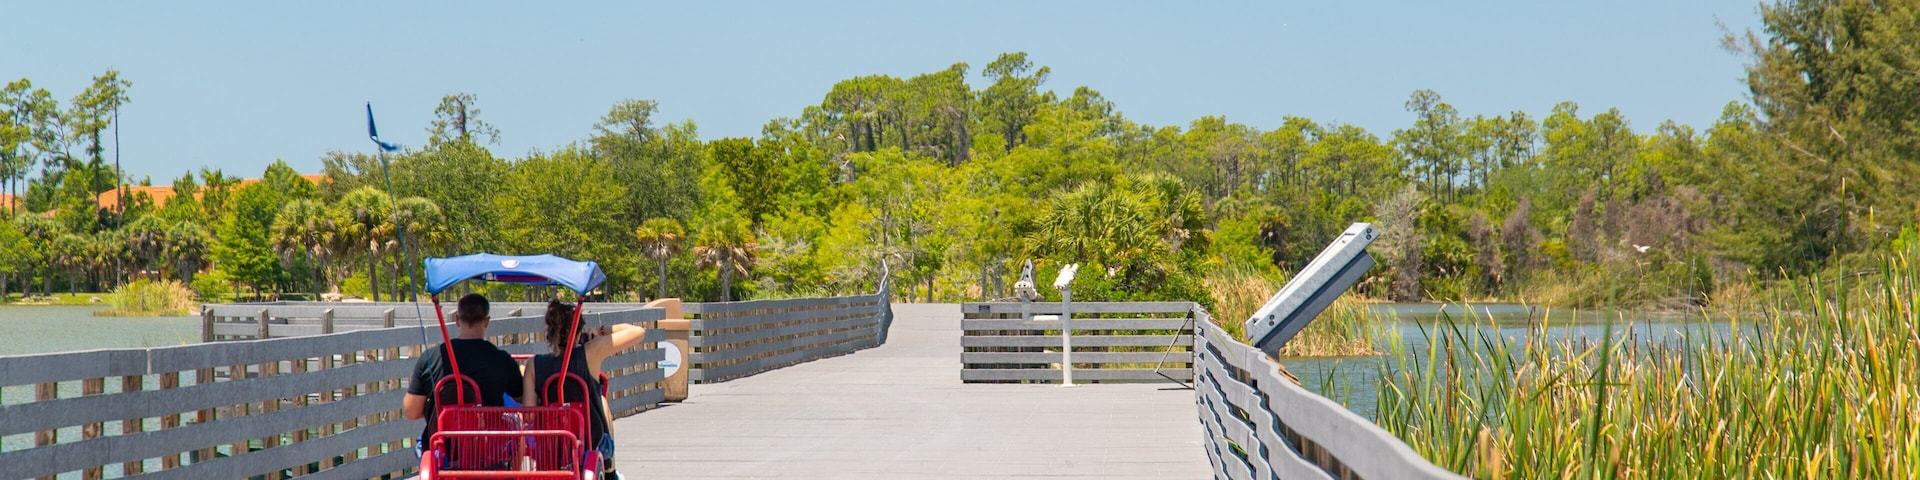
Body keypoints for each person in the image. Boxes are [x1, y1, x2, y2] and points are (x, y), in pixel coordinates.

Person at [525, 300, 647, 479]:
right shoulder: (591, 352)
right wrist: (600, 331)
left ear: (549, 333)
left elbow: (529, 415)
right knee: (602, 402)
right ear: (579, 331)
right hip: (590, 440)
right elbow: (638, 332)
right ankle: (609, 469)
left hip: (551, 447)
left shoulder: (533, 365)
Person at [404, 293, 527, 455]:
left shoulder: (431, 358)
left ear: (457, 319)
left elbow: (411, 412)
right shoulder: (502, 359)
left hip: (443, 447)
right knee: (517, 432)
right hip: (488, 449)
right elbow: (520, 398)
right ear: (487, 322)